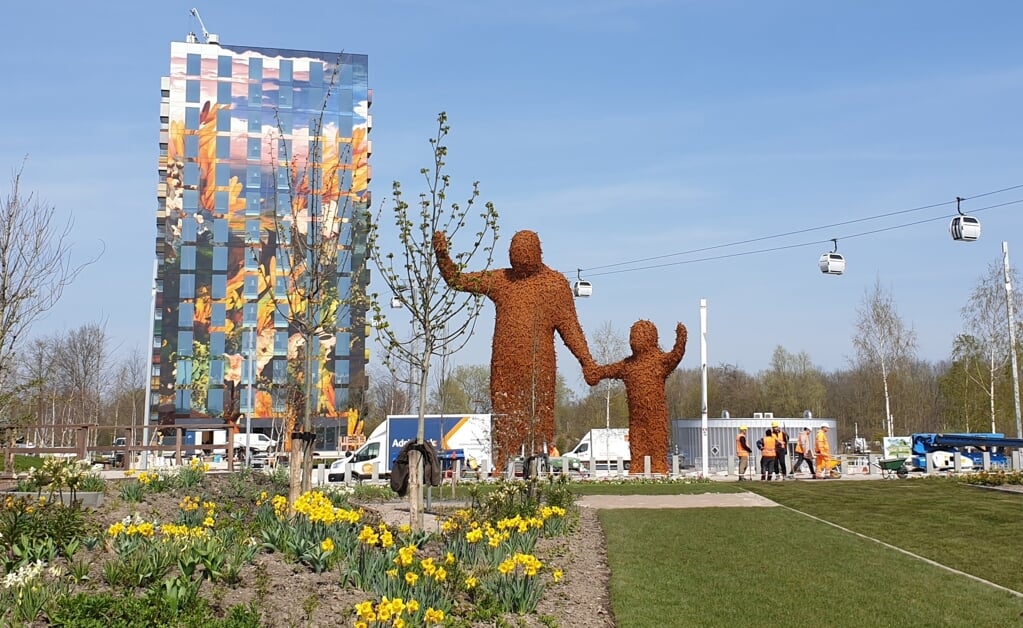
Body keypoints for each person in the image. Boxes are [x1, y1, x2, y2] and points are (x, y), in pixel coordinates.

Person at [433, 230, 595, 472]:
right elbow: (457, 280)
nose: (519, 257)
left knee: (539, 419)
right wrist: (442, 255)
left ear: (538, 253)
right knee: (505, 418)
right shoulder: (502, 280)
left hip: (539, 367)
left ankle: (536, 463)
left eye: (524, 252)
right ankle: (503, 465)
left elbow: (570, 327)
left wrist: (586, 361)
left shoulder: (554, 285)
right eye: (515, 252)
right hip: (504, 367)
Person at [584, 320, 687, 475]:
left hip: (656, 417)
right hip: (636, 420)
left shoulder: (660, 361)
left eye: (639, 336)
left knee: (657, 442)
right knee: (637, 444)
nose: (634, 340)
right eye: (633, 336)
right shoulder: (627, 365)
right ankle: (637, 469)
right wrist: (595, 373)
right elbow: (607, 370)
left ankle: (658, 468)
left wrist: (681, 339)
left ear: (652, 339)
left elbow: (675, 356)